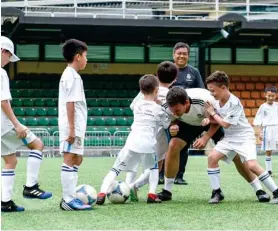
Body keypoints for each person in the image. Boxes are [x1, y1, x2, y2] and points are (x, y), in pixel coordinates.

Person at [157, 86, 270, 203]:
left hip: (211, 122)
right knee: (173, 145)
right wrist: (173, 127)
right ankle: (167, 191)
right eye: (173, 111)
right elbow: (171, 119)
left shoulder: (205, 100)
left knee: (235, 155)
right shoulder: (168, 106)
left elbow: (216, 121)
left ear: (186, 102)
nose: (175, 113)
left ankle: (259, 190)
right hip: (188, 123)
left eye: (177, 111)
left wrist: (205, 138)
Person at [204, 71, 278, 204]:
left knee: (252, 165)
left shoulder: (234, 103)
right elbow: (215, 119)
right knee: (212, 157)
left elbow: (225, 124)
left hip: (244, 137)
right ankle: (217, 192)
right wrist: (207, 119)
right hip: (229, 138)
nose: (211, 94)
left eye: (213, 91)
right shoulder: (215, 101)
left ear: (223, 88)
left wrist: (212, 114)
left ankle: (276, 192)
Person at [96, 74, 171, 205]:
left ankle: (102, 193)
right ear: (156, 90)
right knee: (153, 168)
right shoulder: (158, 109)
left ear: (141, 91)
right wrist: (162, 104)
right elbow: (166, 123)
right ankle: (151, 194)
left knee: (115, 169)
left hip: (132, 142)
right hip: (148, 144)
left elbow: (135, 104)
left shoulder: (137, 105)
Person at [1, 36, 52, 212]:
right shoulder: (1, 72)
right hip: (4, 124)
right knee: (37, 145)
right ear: (2, 51)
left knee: (10, 160)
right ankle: (31, 187)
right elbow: (3, 101)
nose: (8, 61)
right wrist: (17, 124)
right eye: (9, 56)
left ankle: (5, 202)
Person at [125, 61, 178, 201]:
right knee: (156, 165)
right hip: (158, 135)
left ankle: (126, 186)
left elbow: (132, 106)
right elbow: (174, 114)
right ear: (174, 79)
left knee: (134, 162)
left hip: (139, 132)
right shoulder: (170, 94)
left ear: (156, 75)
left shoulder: (147, 89)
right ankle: (134, 187)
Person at [160, 42, 205, 185]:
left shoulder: (194, 72)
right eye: (179, 53)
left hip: (187, 115)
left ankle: (179, 175)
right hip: (170, 113)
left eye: (184, 54)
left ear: (188, 56)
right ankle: (162, 175)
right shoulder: (168, 70)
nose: (181, 56)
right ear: (173, 55)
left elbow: (202, 91)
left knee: (183, 146)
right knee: (167, 144)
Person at [58, 39, 92, 211]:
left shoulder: (71, 75)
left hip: (76, 126)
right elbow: (70, 103)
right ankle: (68, 199)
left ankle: (70, 196)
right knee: (70, 158)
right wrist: (71, 129)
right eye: (86, 56)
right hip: (72, 126)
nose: (87, 60)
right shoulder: (72, 76)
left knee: (77, 158)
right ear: (78, 57)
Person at [253, 86, 278, 176]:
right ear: (265, 95)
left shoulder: (277, 106)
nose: (271, 98)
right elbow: (258, 120)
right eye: (269, 95)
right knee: (268, 150)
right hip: (267, 129)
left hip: (277, 128)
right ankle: (268, 170)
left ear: (276, 96)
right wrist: (260, 132)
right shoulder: (263, 107)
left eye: (273, 96)